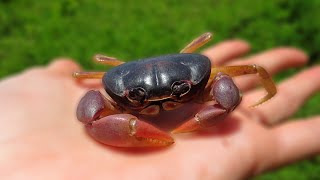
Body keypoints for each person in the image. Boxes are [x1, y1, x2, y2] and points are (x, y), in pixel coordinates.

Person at [0, 40, 319, 179]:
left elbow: (247, 77)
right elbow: (91, 114)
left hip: (182, 80)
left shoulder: (209, 79)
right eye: (138, 98)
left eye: (180, 92)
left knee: (242, 71)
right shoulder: (109, 94)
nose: (163, 102)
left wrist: (264, 90)